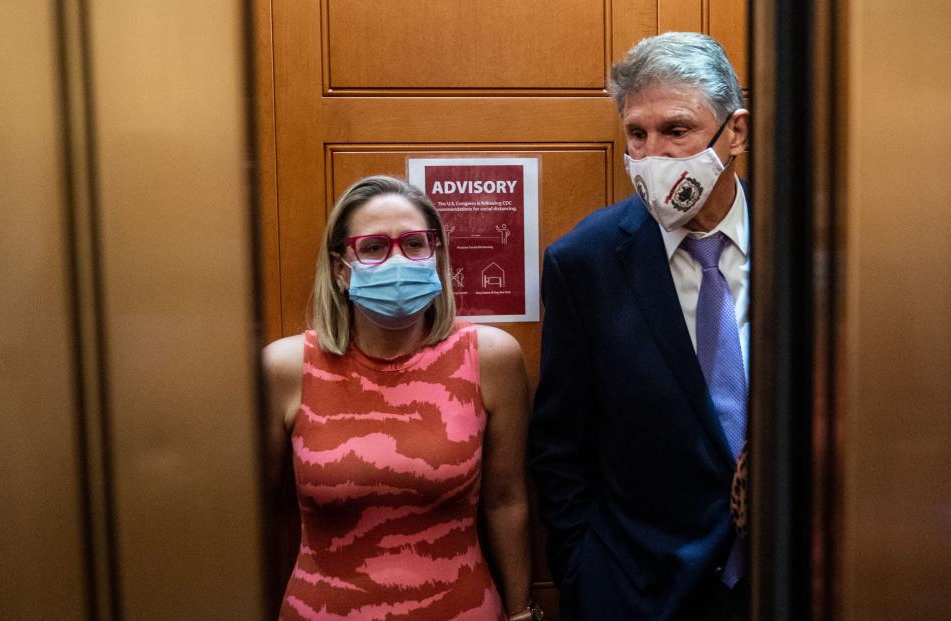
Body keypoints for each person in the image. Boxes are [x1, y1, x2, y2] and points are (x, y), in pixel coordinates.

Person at [529, 32, 752, 620]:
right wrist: (584, 574)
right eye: (637, 133)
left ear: (736, 133)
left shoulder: (810, 247)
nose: (652, 155)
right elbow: (560, 445)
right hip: (639, 590)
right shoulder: (585, 262)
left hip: (794, 579)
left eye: (677, 131)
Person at [264, 176, 541, 620]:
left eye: (414, 244)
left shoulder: (489, 357)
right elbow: (260, 515)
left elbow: (507, 501)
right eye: (373, 247)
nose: (397, 259)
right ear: (339, 268)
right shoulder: (285, 368)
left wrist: (522, 611)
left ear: (436, 256)